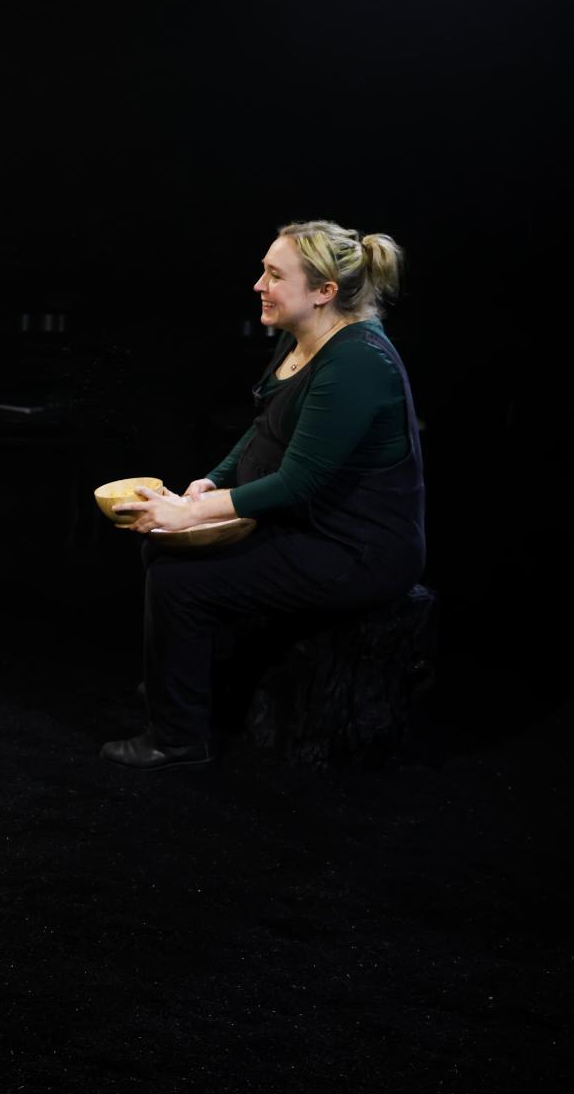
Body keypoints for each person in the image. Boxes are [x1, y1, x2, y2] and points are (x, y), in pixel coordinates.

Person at [105, 220, 425, 769]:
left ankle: (177, 739)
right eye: (263, 271)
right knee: (162, 551)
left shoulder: (355, 362)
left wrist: (190, 512)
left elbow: (299, 481)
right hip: (307, 525)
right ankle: (193, 687)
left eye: (275, 275)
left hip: (356, 548)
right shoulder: (299, 337)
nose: (259, 285)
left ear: (325, 291)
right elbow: (264, 429)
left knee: (180, 583)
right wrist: (212, 481)